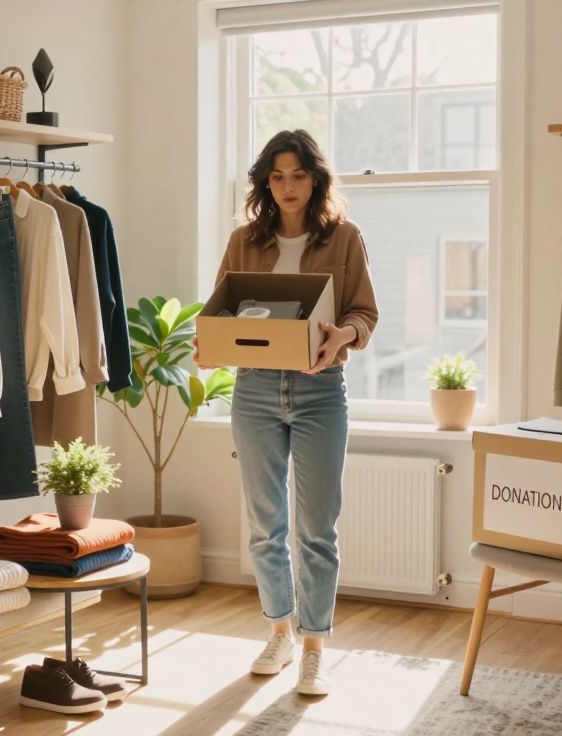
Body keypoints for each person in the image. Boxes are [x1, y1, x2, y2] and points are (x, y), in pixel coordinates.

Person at [202, 129, 378, 695]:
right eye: (277, 177)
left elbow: (364, 315)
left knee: (316, 529)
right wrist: (211, 344)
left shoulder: (345, 237)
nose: (287, 186)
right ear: (265, 183)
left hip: (320, 391)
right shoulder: (244, 241)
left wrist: (342, 336)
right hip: (254, 391)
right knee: (264, 526)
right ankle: (279, 632)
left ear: (315, 179)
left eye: (298, 175)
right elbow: (221, 311)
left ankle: (314, 648)